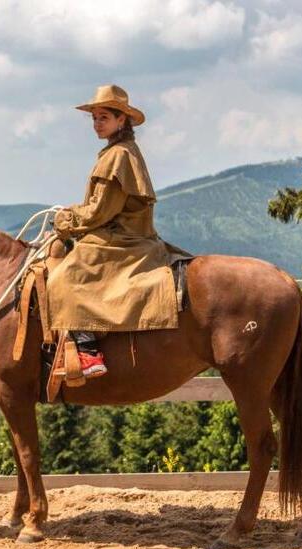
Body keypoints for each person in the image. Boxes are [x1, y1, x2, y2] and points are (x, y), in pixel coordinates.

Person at [48, 84, 192, 379]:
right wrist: (74, 213)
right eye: (94, 118)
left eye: (103, 117)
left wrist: (67, 222)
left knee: (66, 276)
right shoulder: (121, 151)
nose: (97, 124)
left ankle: (88, 351)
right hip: (122, 231)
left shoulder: (117, 156)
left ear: (121, 120)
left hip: (121, 237)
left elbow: (102, 211)